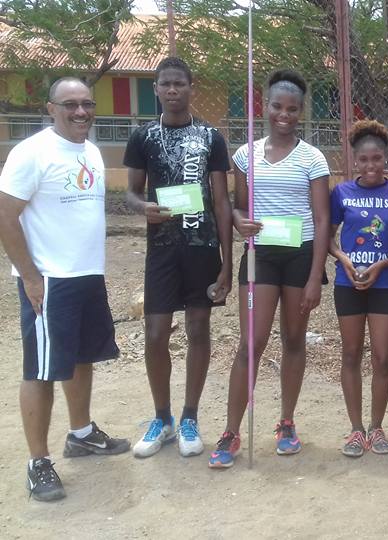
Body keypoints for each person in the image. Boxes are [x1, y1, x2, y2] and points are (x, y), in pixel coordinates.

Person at [0, 77, 130, 502]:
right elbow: (5, 215)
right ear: (50, 108)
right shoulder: (32, 152)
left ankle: (82, 433)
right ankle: (38, 462)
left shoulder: (89, 150)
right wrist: (30, 276)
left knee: (81, 357)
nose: (80, 112)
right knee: (41, 369)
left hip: (87, 274)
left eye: (86, 104)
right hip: (50, 280)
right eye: (70, 104)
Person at [208, 70, 331, 468]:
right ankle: (231, 431)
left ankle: (286, 423)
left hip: (299, 254)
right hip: (260, 254)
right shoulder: (247, 154)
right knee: (252, 342)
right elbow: (238, 206)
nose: (284, 115)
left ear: (301, 111)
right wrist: (239, 221)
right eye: (277, 106)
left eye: (292, 109)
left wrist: (315, 277)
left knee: (294, 339)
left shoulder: (312, 158)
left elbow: (323, 219)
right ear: (265, 107)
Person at [124, 57, 233, 459]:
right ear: (156, 89)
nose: (172, 90)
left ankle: (189, 417)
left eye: (179, 84)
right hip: (162, 249)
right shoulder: (143, 137)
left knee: (198, 329)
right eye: (165, 84)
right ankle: (162, 418)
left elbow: (221, 202)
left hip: (202, 247)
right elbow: (131, 192)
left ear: (190, 88)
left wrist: (227, 262)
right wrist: (143, 208)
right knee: (156, 333)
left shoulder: (210, 137)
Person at [329, 120, 388, 457]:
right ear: (354, 160)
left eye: (377, 158)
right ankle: (355, 429)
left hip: (384, 284)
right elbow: (328, 239)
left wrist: (380, 266)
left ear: (385, 157)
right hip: (348, 282)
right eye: (363, 160)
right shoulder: (341, 193)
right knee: (350, 354)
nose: (371, 165)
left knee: (381, 357)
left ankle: (376, 427)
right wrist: (344, 260)